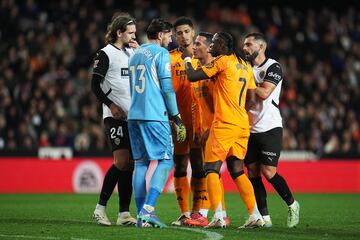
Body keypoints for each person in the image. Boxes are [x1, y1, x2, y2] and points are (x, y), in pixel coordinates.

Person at [183, 32, 264, 228]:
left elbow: (193, 76)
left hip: (224, 124)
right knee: (237, 171)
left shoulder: (223, 61)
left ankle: (218, 215)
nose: (212, 45)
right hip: (242, 124)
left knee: (210, 169)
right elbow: (252, 98)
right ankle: (255, 215)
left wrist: (187, 60)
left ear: (224, 44)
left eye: (216, 41)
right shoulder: (245, 65)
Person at [128, 18, 186, 228]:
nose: (171, 38)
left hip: (134, 115)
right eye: (169, 35)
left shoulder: (135, 55)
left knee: (141, 163)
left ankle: (142, 216)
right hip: (154, 114)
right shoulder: (161, 54)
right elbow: (167, 88)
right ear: (160, 34)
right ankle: (148, 209)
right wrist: (177, 116)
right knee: (166, 160)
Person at [242, 32, 300, 228]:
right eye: (244, 45)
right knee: (252, 173)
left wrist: (247, 83)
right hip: (248, 128)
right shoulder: (245, 67)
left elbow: (265, 93)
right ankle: (264, 218)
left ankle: (292, 204)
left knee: (268, 172)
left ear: (261, 47)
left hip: (270, 127)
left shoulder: (272, 66)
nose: (245, 48)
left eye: (249, 44)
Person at [91, 12, 139, 226]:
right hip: (114, 116)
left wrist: (139, 54)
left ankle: (124, 214)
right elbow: (95, 85)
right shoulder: (105, 53)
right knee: (121, 161)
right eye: (130, 33)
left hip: (134, 117)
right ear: (119, 32)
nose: (133, 36)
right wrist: (111, 105)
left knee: (129, 164)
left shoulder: (132, 53)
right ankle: (100, 209)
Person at [183, 32, 228, 227]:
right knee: (210, 172)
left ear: (209, 47)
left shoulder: (215, 72)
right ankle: (216, 213)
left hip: (219, 129)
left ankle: (210, 213)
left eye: (198, 44)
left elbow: (221, 104)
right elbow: (197, 104)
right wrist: (197, 127)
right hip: (203, 130)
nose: (193, 47)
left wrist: (211, 128)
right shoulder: (200, 70)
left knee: (214, 171)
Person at [169, 17, 209, 226]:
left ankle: (198, 211)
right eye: (179, 33)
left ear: (193, 32)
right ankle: (184, 212)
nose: (183, 36)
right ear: (174, 36)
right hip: (177, 122)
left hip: (199, 122)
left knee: (200, 165)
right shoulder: (169, 58)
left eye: (186, 32)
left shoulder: (202, 56)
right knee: (180, 166)